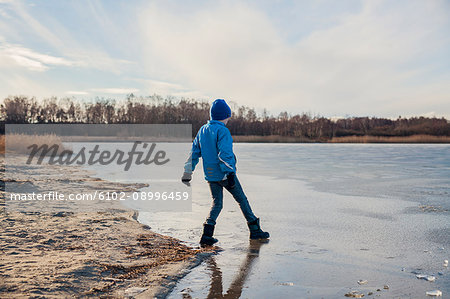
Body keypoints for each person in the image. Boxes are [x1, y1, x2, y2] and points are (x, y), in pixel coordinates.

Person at [182, 99, 270, 246]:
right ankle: (255, 231)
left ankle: (207, 235)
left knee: (217, 203)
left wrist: (187, 172)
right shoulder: (222, 131)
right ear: (225, 116)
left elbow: (194, 153)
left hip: (210, 175)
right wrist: (229, 173)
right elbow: (225, 154)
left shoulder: (202, 130)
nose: (229, 119)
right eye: (228, 116)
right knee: (242, 200)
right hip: (225, 174)